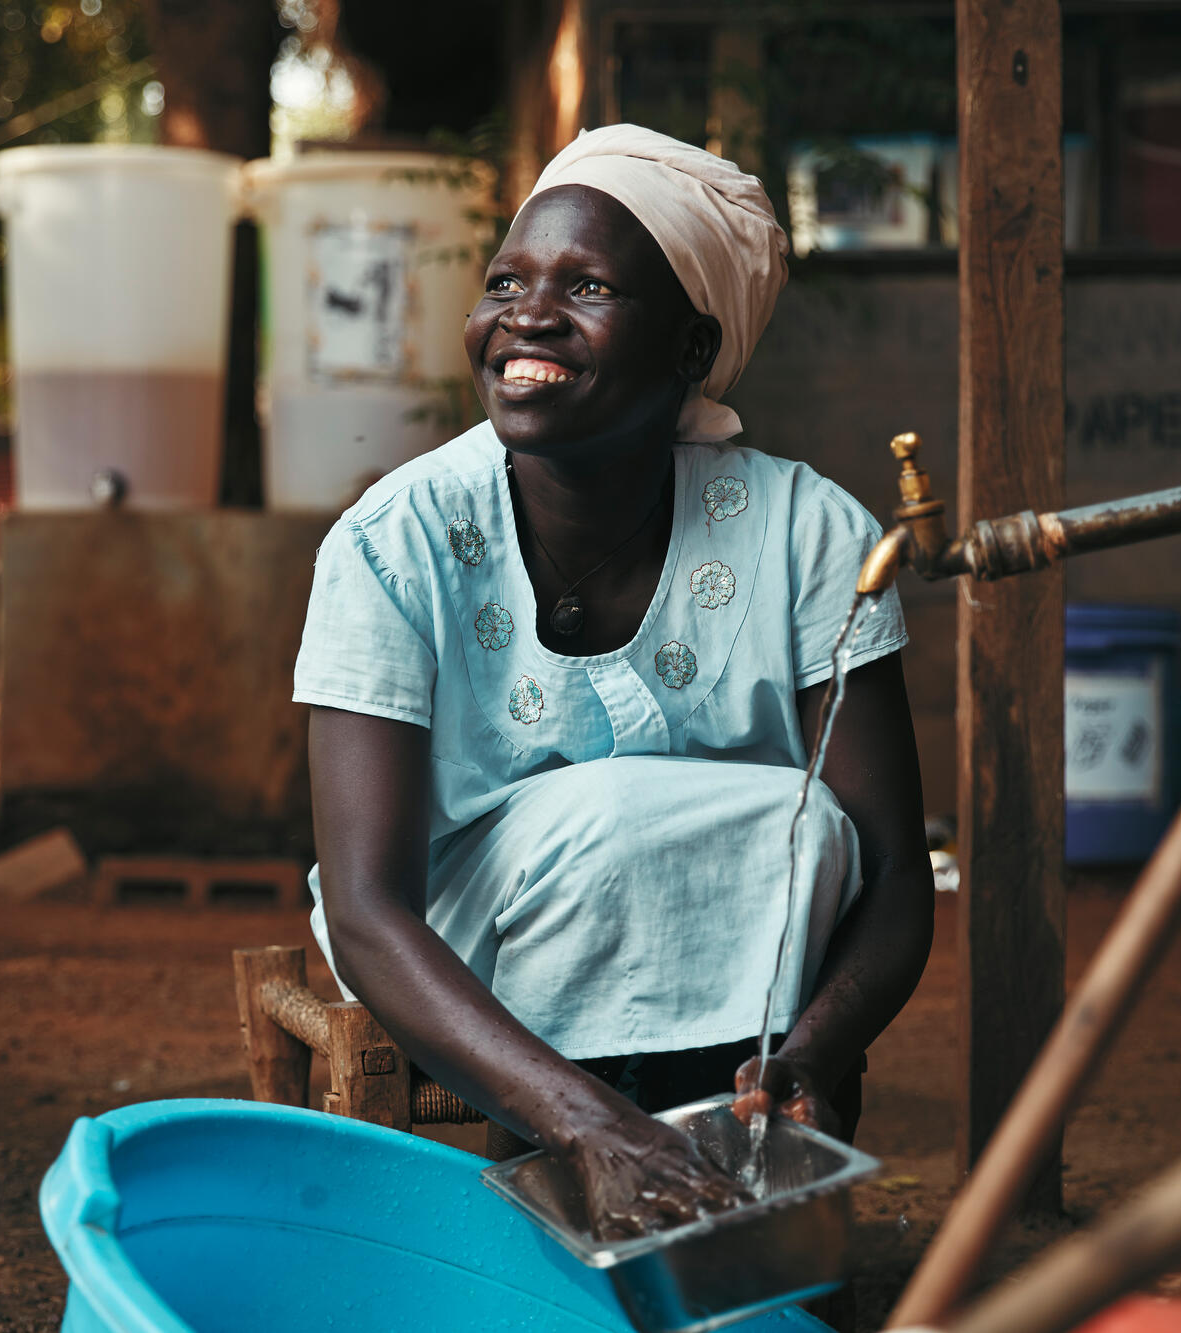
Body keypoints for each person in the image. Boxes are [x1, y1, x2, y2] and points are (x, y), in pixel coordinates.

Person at [294, 125, 934, 1239]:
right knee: (614, 817)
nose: (526, 316)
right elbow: (364, 908)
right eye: (505, 282)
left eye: (585, 286)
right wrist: (588, 1123)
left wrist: (813, 1054)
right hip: (463, 958)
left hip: (762, 990)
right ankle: (551, 1203)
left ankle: (756, 1210)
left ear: (691, 349)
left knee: (802, 822)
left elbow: (891, 874)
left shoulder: (804, 532)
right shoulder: (392, 543)